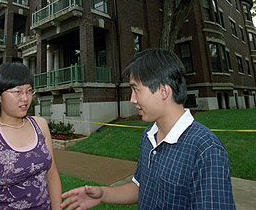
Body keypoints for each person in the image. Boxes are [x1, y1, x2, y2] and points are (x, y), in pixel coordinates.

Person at [61, 48, 236, 210]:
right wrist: (103, 194)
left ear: (163, 91)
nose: (132, 99)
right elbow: (140, 187)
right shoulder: (149, 136)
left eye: (136, 90)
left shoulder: (206, 150)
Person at [0, 62, 62, 210]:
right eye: (17, 91)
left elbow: (52, 173)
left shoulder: (40, 125)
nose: (25, 98)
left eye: (29, 91)